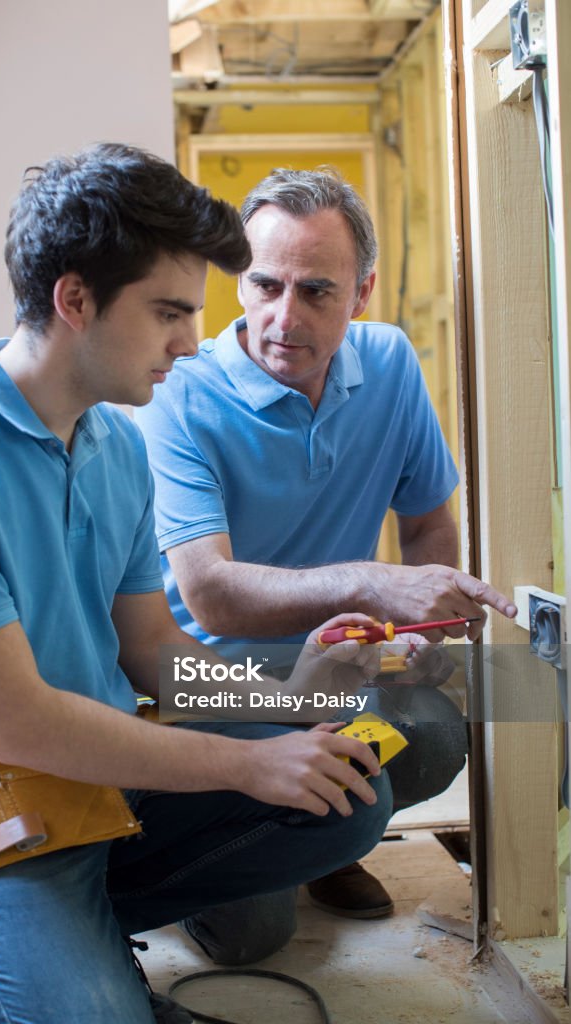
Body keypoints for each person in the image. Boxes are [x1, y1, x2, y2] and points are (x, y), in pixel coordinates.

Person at [0, 144, 421, 1024]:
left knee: (345, 793)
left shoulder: (113, 443)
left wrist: (285, 695)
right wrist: (248, 761)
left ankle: (66, 935)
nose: (191, 341)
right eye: (169, 312)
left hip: (112, 774)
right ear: (75, 299)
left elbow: (156, 653)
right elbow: (20, 725)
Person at [134, 167, 517, 961]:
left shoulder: (390, 364)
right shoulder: (182, 395)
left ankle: (330, 839)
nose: (284, 317)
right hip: (201, 680)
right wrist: (371, 583)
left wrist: (421, 636)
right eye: (264, 285)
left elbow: (428, 529)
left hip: (340, 664)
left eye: (317, 291)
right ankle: (231, 863)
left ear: (363, 290)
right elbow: (210, 598)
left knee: (432, 735)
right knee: (250, 940)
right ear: (238, 281)